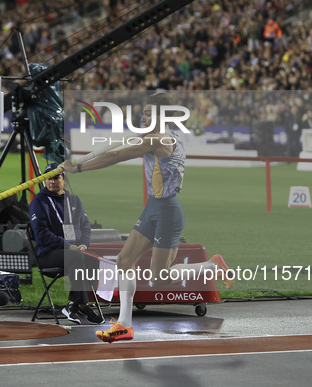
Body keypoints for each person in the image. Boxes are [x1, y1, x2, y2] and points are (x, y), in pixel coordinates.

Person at [62, 93, 234, 342]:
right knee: (124, 260)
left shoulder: (158, 139)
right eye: (143, 113)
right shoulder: (163, 135)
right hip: (153, 208)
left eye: (148, 114)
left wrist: (78, 168)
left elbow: (116, 156)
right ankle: (124, 325)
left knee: (160, 278)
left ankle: (211, 266)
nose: (142, 117)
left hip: (167, 211)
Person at [28, 162, 103, 325]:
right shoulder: (39, 202)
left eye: (56, 178)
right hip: (48, 254)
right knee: (76, 257)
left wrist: (84, 244)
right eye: (48, 179)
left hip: (75, 252)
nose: (52, 182)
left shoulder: (74, 200)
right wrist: (68, 246)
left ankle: (72, 305)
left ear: (65, 180)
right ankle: (83, 305)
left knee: (94, 259)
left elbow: (86, 227)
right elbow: (41, 235)